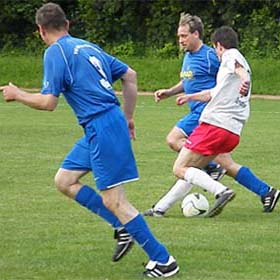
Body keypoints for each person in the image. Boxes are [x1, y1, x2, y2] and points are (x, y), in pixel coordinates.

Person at [0, 3, 179, 278]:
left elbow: (48, 102)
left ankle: (163, 260)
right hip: (104, 124)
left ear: (40, 30)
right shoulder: (88, 46)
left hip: (101, 125)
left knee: (115, 201)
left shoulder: (55, 53)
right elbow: (130, 76)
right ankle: (121, 228)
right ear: (68, 24)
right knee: (65, 180)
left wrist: (18, 94)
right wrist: (127, 117)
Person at [144, 14, 279, 218]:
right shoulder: (203, 60)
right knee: (195, 168)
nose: (180, 40)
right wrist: (187, 96)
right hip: (231, 129)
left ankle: (220, 190)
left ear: (218, 45)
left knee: (180, 163)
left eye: (183, 35)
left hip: (213, 123)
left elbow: (239, 70)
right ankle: (160, 209)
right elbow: (213, 91)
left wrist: (245, 81)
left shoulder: (227, 56)